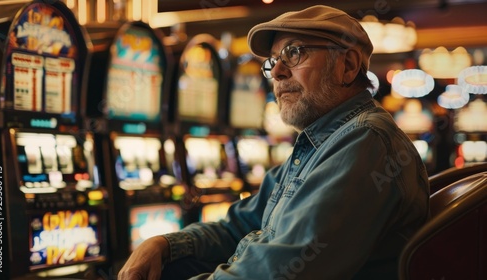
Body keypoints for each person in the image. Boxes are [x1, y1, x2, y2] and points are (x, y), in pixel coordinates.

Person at [118, 5, 430, 280]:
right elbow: (238, 225)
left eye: (294, 53)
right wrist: (164, 244)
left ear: (347, 66)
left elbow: (277, 272)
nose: (277, 72)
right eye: (273, 61)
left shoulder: (364, 141)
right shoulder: (320, 142)